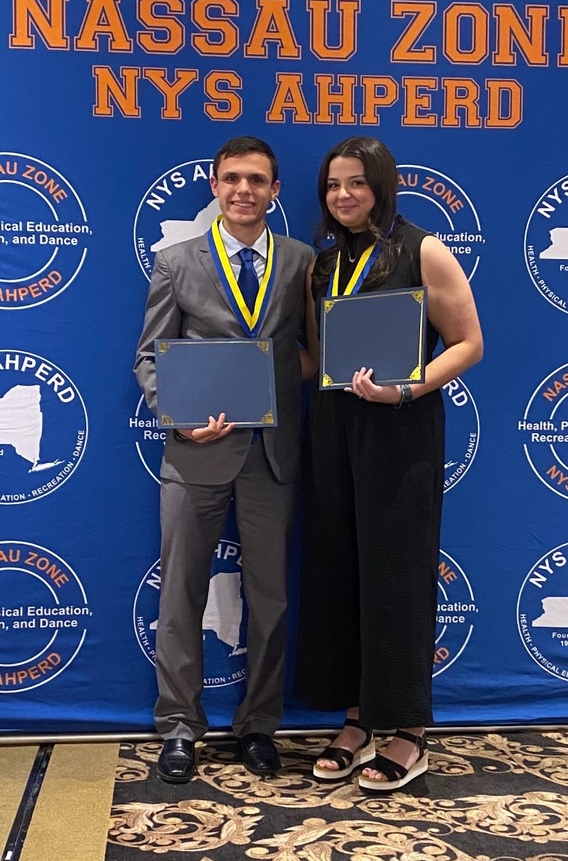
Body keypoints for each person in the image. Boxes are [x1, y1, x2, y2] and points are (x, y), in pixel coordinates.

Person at [294, 136, 483, 792]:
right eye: (333, 185)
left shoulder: (423, 248)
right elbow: (315, 362)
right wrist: (231, 377)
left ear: (383, 185)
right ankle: (355, 717)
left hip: (400, 431)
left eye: (356, 183)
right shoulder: (321, 265)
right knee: (339, 571)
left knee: (396, 576)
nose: (343, 195)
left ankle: (406, 732)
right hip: (332, 431)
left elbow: (469, 343)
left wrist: (408, 388)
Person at [135, 136, 313, 783]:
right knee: (181, 594)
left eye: (257, 180)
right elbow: (150, 357)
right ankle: (179, 725)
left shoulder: (300, 263)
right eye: (233, 178)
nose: (244, 190)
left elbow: (311, 352)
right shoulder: (176, 261)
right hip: (195, 454)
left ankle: (259, 725)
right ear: (214, 184)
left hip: (272, 456)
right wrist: (181, 414)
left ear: (274, 190)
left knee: (270, 599)